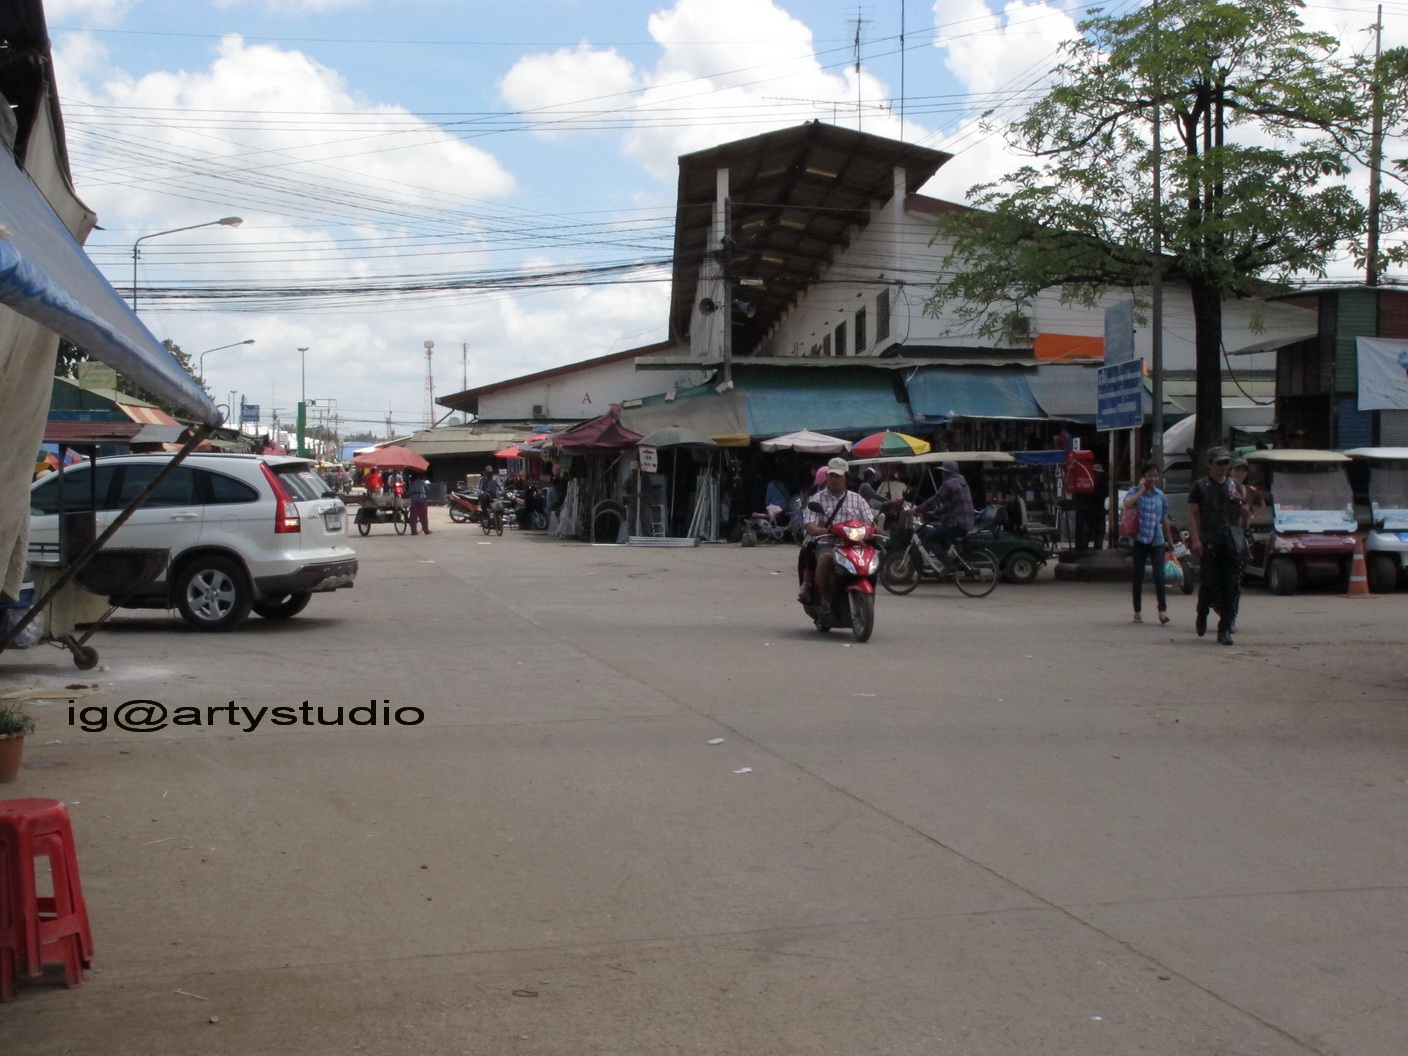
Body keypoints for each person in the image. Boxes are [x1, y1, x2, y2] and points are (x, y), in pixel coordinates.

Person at [1188, 447, 1242, 645]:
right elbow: (1193, 515)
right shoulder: (1200, 486)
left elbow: (1241, 512)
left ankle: (1224, 628)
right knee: (1209, 584)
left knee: (1229, 587)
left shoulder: (1234, 485)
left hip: (1229, 541)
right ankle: (1202, 611)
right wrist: (1196, 539)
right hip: (1209, 541)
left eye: (1226, 463)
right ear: (1209, 464)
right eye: (1219, 463)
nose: (1223, 467)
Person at [800, 457, 874, 603]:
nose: (834, 479)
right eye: (831, 475)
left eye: (838, 476)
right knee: (825, 559)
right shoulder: (817, 499)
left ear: (846, 477)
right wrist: (820, 530)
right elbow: (810, 524)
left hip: (854, 545)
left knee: (873, 559)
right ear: (826, 477)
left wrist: (871, 530)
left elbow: (869, 522)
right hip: (827, 543)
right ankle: (825, 600)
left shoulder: (858, 499)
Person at [1122, 462, 1172, 625]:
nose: (1153, 479)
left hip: (1157, 540)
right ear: (1143, 477)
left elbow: (1164, 519)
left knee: (1159, 575)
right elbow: (1127, 505)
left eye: (1155, 476)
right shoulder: (1135, 491)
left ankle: (1162, 611)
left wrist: (1169, 540)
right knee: (1139, 576)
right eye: (1150, 475)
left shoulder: (1160, 495)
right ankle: (1137, 611)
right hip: (1139, 539)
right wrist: (1141, 491)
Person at [915, 461, 974, 565]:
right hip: (966, 524)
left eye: (943, 472)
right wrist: (935, 513)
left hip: (956, 523)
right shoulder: (963, 483)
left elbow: (934, 500)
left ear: (947, 473)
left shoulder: (949, 484)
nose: (942, 474)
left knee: (929, 539)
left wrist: (916, 510)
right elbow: (950, 505)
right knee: (941, 538)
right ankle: (945, 566)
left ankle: (949, 564)